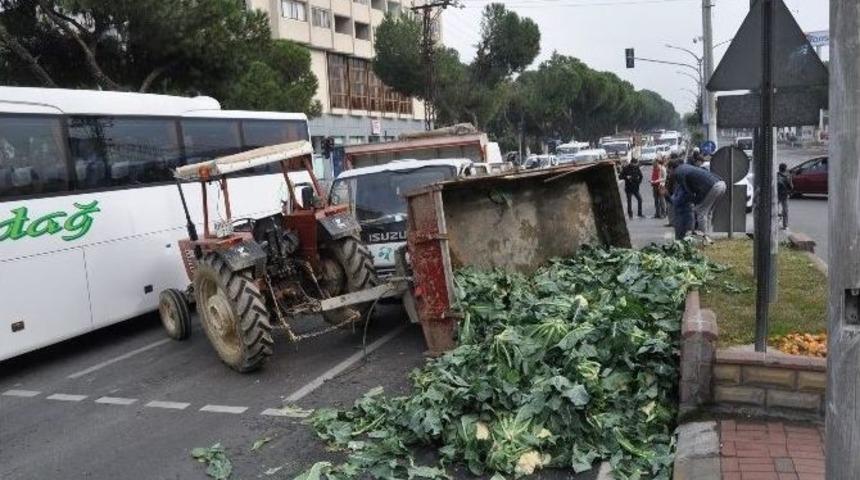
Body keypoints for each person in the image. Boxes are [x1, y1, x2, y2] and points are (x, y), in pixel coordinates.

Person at [668, 162, 727, 241]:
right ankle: (708, 236)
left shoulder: (678, 172)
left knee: (701, 212)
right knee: (708, 212)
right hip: (721, 184)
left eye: (669, 171)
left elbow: (687, 190)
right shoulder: (686, 167)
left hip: (712, 187)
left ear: (672, 168)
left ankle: (704, 239)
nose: (669, 173)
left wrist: (693, 200)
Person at [777, 163, 793, 230]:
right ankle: (785, 225)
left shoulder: (776, 175)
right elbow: (791, 187)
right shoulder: (788, 176)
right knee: (785, 210)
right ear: (785, 169)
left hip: (776, 195)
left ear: (779, 168)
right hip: (784, 195)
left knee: (774, 208)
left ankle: (778, 217)